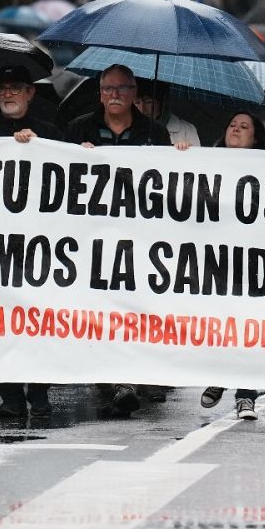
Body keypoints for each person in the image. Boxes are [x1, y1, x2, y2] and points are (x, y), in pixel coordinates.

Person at [63, 64, 183, 416]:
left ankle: (126, 377)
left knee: (132, 306)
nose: (114, 94)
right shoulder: (77, 130)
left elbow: (165, 184)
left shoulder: (155, 134)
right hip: (90, 238)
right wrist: (75, 158)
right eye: (108, 88)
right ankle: (111, 378)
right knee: (99, 308)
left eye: (122, 88)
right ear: (99, 93)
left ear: (134, 93)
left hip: (137, 238)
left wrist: (180, 157)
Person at [0, 66, 59, 419]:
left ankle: (39, 391)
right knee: (0, 322)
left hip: (41, 245)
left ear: (30, 93)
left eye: (15, 88)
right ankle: (9, 394)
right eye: (3, 88)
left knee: (39, 320)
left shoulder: (51, 135)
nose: (8, 94)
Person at [198, 112, 265, 421]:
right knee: (220, 324)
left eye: (244, 127)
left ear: (255, 139)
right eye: (231, 124)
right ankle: (219, 376)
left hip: (254, 262)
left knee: (249, 327)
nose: (236, 130)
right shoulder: (206, 162)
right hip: (216, 259)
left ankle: (245, 396)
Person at [134, 79, 200, 147]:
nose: (142, 109)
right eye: (137, 102)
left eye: (149, 102)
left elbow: (196, 156)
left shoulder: (187, 130)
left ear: (162, 103)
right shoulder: (129, 129)